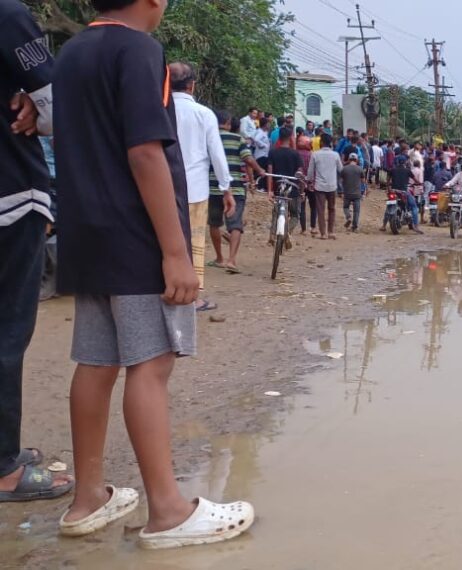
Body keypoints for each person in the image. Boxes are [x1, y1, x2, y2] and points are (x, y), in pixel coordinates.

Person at [54, 0, 254, 546]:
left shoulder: (71, 52)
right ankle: (168, 510)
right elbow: (144, 153)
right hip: (134, 233)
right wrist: (175, 252)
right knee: (152, 361)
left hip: (86, 231)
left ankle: (87, 498)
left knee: (96, 360)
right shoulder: (139, 50)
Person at [0, 0, 75, 504]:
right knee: (7, 329)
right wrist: (38, 105)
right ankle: (4, 468)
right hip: (9, 194)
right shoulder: (7, 15)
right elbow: (55, 107)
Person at [170, 62, 232, 312]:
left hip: (161, 188)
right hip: (195, 189)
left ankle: (166, 289)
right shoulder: (204, 114)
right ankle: (193, 297)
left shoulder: (156, 109)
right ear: (192, 85)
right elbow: (216, 154)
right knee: (193, 241)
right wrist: (226, 188)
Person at [209, 112, 263, 274]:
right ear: (227, 122)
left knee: (214, 223)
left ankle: (219, 258)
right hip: (236, 187)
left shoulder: (208, 138)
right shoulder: (237, 139)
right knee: (235, 224)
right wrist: (259, 170)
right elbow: (248, 159)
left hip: (213, 187)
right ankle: (231, 260)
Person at [267, 126, 303, 243]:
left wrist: (269, 190)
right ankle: (286, 232)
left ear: (279, 138)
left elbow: (270, 172)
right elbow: (300, 173)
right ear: (291, 138)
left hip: (278, 188)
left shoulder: (273, 152)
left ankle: (272, 235)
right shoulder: (295, 154)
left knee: (276, 213)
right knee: (295, 215)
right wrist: (302, 191)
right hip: (293, 190)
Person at [306, 133, 342, 239]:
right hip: (332, 186)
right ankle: (331, 231)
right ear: (330, 143)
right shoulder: (335, 155)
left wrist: (309, 182)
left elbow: (310, 172)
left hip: (319, 186)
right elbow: (341, 169)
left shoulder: (315, 154)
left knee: (320, 210)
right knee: (332, 209)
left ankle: (323, 233)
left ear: (321, 142)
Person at [389, 156, 422, 234]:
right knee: (414, 207)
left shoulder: (392, 170)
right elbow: (416, 180)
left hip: (393, 191)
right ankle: (416, 226)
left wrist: (389, 188)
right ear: (405, 162)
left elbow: (388, 181)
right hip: (403, 192)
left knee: (389, 206)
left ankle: (383, 225)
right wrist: (419, 183)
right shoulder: (408, 171)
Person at [339, 153, 364, 232]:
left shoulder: (344, 169)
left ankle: (348, 217)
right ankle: (355, 227)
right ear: (356, 160)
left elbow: (341, 181)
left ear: (349, 160)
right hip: (357, 193)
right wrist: (364, 192)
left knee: (346, 207)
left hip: (347, 193)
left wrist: (341, 192)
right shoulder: (360, 169)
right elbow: (363, 182)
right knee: (356, 211)